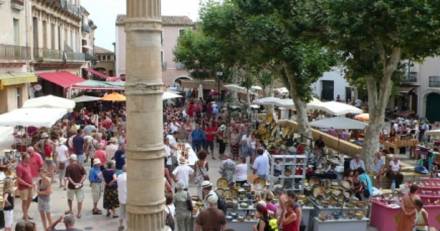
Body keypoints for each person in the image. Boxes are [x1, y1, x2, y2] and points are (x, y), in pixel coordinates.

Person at [65, 154, 86, 219]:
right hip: (80, 186)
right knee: (80, 200)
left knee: (70, 199)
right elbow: (85, 175)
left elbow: (68, 177)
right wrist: (80, 182)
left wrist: (74, 183)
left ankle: (71, 210)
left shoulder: (68, 167)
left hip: (71, 186)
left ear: (71, 160)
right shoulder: (80, 166)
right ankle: (79, 213)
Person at [16, 153, 33, 221]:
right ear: (24, 159)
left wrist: (32, 183)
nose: (29, 159)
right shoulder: (19, 167)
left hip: (30, 186)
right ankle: (25, 216)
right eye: (28, 158)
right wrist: (27, 184)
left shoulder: (28, 165)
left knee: (30, 199)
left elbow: (29, 174)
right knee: (25, 201)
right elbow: (19, 179)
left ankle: (25, 214)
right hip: (24, 187)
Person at [117, 165, 127, 230]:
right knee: (128, 213)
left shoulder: (119, 176)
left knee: (121, 212)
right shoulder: (129, 177)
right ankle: (127, 227)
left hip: (121, 196)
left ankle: (121, 225)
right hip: (128, 197)